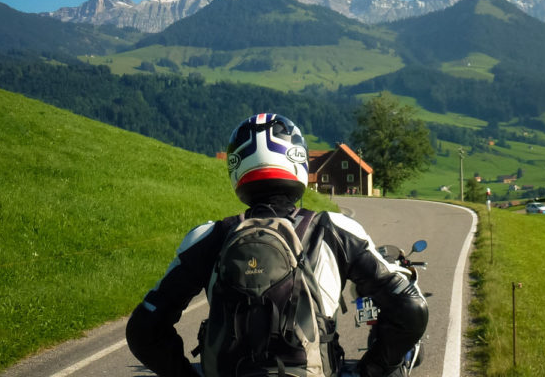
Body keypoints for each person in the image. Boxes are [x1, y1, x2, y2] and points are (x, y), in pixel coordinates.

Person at [126, 113, 428, 377]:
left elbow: (143, 330)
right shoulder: (335, 229)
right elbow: (411, 308)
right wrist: (371, 371)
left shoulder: (209, 237)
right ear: (298, 159)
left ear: (237, 169)